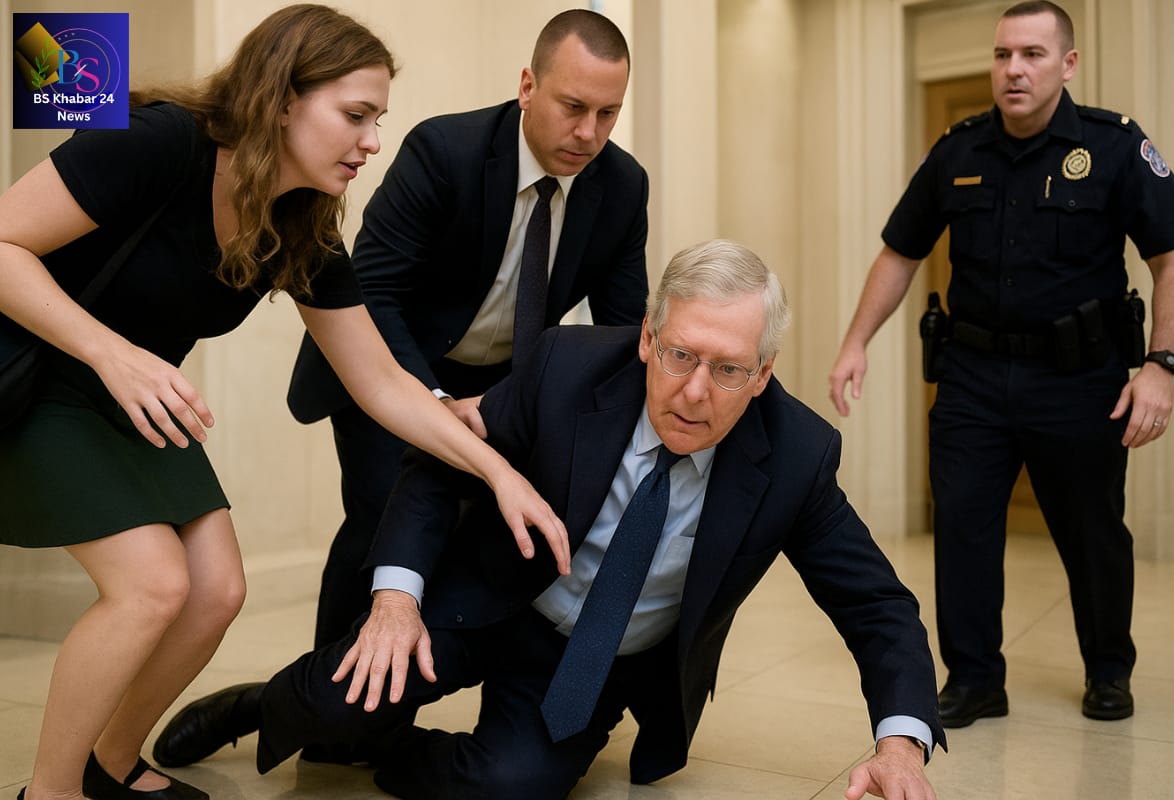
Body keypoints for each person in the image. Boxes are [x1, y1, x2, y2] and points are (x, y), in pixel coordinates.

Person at [0, 6, 569, 800]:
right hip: (43, 373)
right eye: (356, 115)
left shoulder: (300, 225)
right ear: (281, 99)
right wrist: (113, 352)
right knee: (154, 586)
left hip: (134, 395)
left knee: (217, 592)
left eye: (378, 119)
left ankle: (110, 764)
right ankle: (49, 792)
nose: (373, 141)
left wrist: (497, 472)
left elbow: (381, 383)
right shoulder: (159, 140)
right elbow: (2, 244)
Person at [155, 240, 945, 800]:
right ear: (646, 338)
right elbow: (441, 461)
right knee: (333, 706)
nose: (695, 391)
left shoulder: (798, 455)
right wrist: (396, 600)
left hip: (594, 658)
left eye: (730, 369)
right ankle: (265, 705)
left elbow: (877, 605)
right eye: (680, 355)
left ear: (765, 371)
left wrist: (901, 744)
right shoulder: (566, 367)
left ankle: (385, 749)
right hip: (487, 595)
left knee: (510, 785)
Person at [829, 0, 1174, 730]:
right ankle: (973, 678)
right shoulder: (958, 150)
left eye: (1031, 54)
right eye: (1002, 55)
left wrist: (1161, 365)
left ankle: (1107, 670)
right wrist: (854, 341)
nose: (1013, 70)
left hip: (1078, 379)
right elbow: (899, 253)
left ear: (1068, 64)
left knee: (1093, 532)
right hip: (972, 375)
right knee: (962, 526)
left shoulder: (1116, 146)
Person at [286, 8, 649, 650]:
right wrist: (435, 402)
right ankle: (326, 709)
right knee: (382, 522)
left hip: (505, 380)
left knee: (499, 529)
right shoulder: (443, 151)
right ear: (528, 86)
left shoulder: (621, 186)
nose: (588, 132)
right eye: (572, 105)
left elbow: (621, 328)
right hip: (391, 364)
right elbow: (373, 295)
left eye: (607, 113)